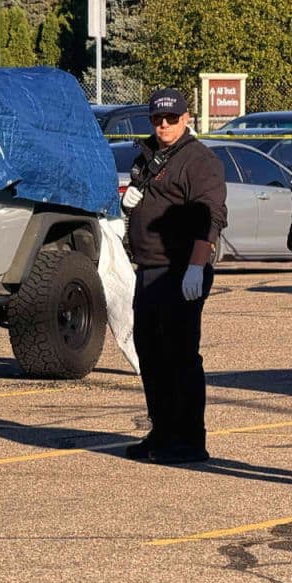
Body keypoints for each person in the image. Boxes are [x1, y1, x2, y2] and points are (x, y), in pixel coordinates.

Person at [121, 88, 227, 465]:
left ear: (186, 118)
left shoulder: (199, 161)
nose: (163, 125)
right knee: (150, 355)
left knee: (180, 356)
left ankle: (189, 439)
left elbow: (211, 217)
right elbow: (141, 193)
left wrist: (197, 266)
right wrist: (126, 199)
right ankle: (162, 430)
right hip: (148, 270)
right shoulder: (149, 154)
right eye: (157, 118)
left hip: (181, 270)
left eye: (171, 118)